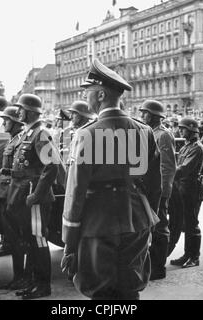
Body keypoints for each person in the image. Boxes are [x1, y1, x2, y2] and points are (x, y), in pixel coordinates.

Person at [61, 59, 159, 300]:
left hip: (98, 221)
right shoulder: (143, 131)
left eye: (89, 92)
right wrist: (149, 218)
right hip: (136, 218)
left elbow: (75, 192)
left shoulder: (87, 134)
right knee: (130, 287)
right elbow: (154, 185)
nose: (87, 98)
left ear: (101, 94)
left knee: (101, 291)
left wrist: (69, 242)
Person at [5, 93, 59, 299]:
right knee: (31, 240)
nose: (18, 112)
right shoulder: (28, 133)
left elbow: (52, 166)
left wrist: (37, 195)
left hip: (34, 197)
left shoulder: (41, 134)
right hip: (23, 195)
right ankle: (35, 282)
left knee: (39, 241)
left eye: (21, 108)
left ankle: (44, 286)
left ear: (29, 111)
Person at [139, 100, 176, 280]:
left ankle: (159, 268)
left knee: (160, 228)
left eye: (145, 113)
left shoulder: (163, 135)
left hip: (159, 189)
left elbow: (167, 166)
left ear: (154, 115)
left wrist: (164, 190)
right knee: (152, 227)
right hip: (150, 188)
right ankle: (152, 264)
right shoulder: (148, 133)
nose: (142, 116)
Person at [0, 107, 24, 258]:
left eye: (6, 120)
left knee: (16, 235)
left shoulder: (20, 140)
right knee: (9, 229)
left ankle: (20, 277)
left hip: (12, 190)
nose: (3, 123)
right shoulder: (12, 139)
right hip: (5, 189)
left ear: (16, 121)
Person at [170, 117, 203, 268]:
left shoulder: (196, 147)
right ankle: (187, 254)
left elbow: (183, 169)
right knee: (185, 222)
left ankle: (194, 257)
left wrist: (167, 174)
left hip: (191, 188)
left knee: (191, 223)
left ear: (191, 130)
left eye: (183, 128)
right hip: (183, 188)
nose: (180, 131)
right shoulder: (186, 146)